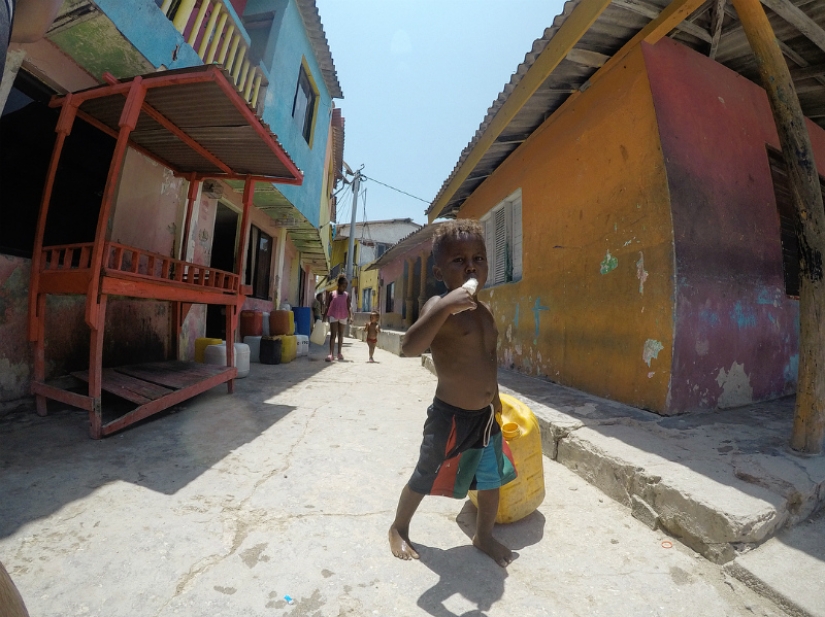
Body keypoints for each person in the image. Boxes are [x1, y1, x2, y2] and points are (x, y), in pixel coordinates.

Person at [388, 220, 517, 568]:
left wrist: (495, 399)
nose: (471, 267)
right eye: (459, 261)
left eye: (478, 258)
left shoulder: (485, 313)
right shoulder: (438, 305)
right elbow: (409, 347)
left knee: (490, 479)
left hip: (485, 417)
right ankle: (399, 527)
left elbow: (487, 360)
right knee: (426, 471)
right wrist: (445, 306)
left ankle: (483, 535)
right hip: (451, 416)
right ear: (439, 272)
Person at [323, 274, 352, 362]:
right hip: (333, 314)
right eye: (343, 285)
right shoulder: (332, 294)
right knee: (333, 335)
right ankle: (331, 354)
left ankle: (339, 353)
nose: (345, 287)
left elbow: (348, 307)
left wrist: (351, 316)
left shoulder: (346, 295)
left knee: (340, 334)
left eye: (346, 286)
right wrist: (324, 316)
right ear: (338, 285)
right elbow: (327, 306)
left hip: (343, 315)